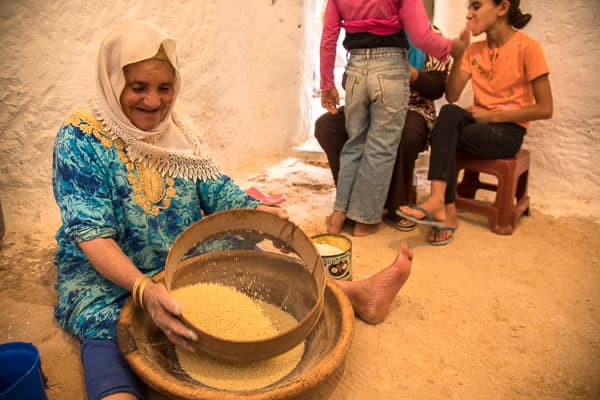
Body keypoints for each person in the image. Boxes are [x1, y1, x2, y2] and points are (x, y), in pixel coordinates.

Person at [52, 20, 413, 400]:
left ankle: (353, 295)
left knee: (254, 269)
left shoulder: (179, 132)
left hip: (183, 258)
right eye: (138, 87)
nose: (154, 102)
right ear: (113, 81)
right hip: (112, 275)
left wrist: (253, 210)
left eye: (165, 88)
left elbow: (215, 188)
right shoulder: (80, 139)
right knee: (109, 331)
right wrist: (142, 289)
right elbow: (94, 239)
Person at [397, 0, 553, 245]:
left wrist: (491, 116)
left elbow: (545, 108)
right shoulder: (475, 51)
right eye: (468, 8)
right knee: (448, 114)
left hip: (506, 131)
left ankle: (444, 209)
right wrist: (459, 55)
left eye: (476, 6)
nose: (469, 15)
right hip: (478, 125)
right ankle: (442, 203)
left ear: (502, 8)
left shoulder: (528, 48)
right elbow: (452, 95)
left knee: (444, 134)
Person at [320, 0, 466, 237]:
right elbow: (420, 36)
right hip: (389, 66)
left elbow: (328, 38)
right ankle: (364, 221)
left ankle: (338, 215)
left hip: (355, 66)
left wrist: (327, 83)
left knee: (354, 143)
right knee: (380, 146)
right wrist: (453, 48)